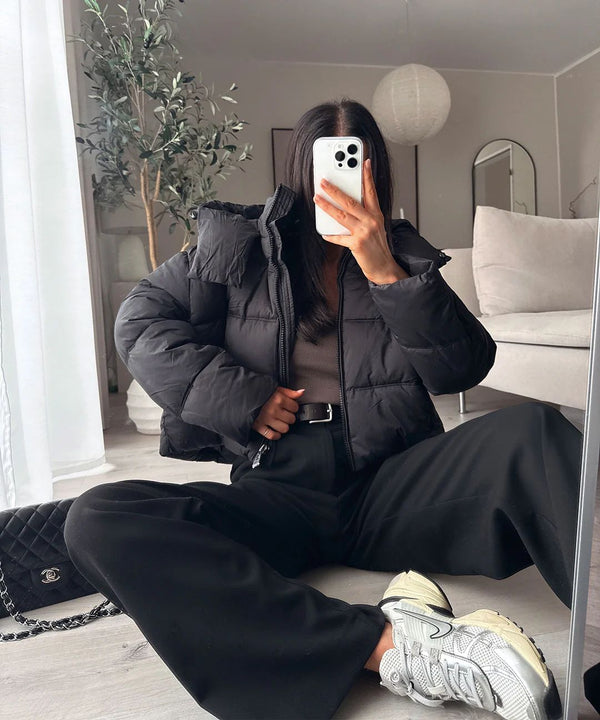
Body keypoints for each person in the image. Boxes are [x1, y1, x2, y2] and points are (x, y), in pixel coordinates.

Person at [64, 98, 582, 720]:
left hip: (390, 483)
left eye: (353, 164)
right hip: (277, 486)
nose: (338, 181)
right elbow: (140, 323)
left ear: (374, 174)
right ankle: (393, 647)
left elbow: (462, 369)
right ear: (300, 172)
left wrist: (383, 268)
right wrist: (242, 398)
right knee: (97, 517)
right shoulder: (238, 245)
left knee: (537, 431)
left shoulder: (403, 256)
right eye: (326, 166)